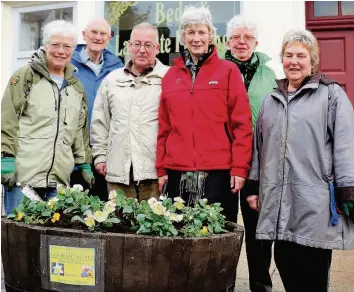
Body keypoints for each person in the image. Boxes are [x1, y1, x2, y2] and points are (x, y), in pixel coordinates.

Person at [247, 28, 354, 292]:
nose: (294, 61)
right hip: (278, 201)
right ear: (282, 59)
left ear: (312, 61)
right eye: (288, 55)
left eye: (301, 56)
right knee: (284, 261)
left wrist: (347, 189)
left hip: (313, 201)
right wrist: (253, 186)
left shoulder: (331, 95)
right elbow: (259, 148)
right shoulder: (271, 101)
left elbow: (345, 144)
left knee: (312, 271)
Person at [156, 5, 253, 224]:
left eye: (202, 32)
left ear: (211, 35)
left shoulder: (228, 71)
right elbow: (164, 127)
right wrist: (161, 168)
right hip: (177, 172)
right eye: (190, 32)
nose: (197, 38)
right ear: (182, 37)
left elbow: (242, 124)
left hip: (218, 173)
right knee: (179, 239)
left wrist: (239, 168)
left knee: (217, 238)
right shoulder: (170, 76)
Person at [1, 20, 93, 214]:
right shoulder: (26, 76)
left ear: (73, 50)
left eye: (67, 46)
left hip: (59, 181)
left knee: (51, 242)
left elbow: (79, 131)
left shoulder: (76, 86)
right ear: (45, 46)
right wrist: (6, 159)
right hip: (23, 177)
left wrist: (84, 163)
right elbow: (8, 119)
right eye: (55, 45)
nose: (61, 51)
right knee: (19, 239)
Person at [225, 15, 277, 292]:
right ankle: (224, 282)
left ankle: (260, 283)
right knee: (224, 226)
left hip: (259, 162)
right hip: (223, 160)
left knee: (259, 229)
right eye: (236, 37)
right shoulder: (218, 69)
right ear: (228, 40)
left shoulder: (270, 75)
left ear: (256, 42)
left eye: (247, 37)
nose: (242, 42)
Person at [90, 23, 169, 202]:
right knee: (119, 226)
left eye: (148, 45)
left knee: (155, 227)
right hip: (118, 172)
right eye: (137, 44)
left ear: (157, 48)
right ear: (129, 46)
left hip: (155, 174)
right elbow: (100, 123)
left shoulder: (169, 79)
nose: (142, 50)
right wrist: (100, 157)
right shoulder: (111, 80)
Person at [70, 18, 123, 201]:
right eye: (94, 32)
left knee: (101, 209)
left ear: (109, 38)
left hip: (104, 151)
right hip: (73, 150)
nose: (98, 37)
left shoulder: (118, 68)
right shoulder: (68, 63)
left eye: (103, 34)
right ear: (84, 35)